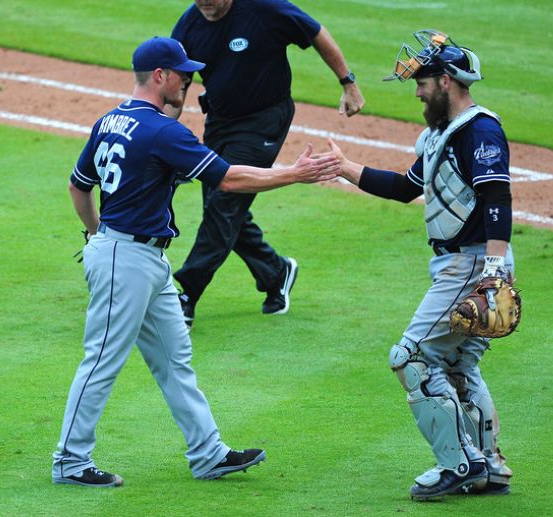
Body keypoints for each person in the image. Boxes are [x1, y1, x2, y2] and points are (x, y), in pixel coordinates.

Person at [52, 36, 338, 488]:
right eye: (183, 73)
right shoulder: (163, 131)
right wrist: (294, 174)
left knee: (175, 359)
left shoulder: (111, 121)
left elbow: (78, 186)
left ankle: (208, 454)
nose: (190, 79)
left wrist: (94, 234)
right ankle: (69, 461)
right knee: (102, 360)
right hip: (125, 260)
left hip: (140, 257)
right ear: (160, 76)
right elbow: (229, 179)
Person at [328, 30, 514, 500]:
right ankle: (488, 465)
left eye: (423, 83)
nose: (417, 92)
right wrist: (346, 168)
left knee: (410, 357)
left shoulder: (480, 130)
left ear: (447, 81)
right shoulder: (438, 136)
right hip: (462, 266)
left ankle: (459, 465)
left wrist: (493, 269)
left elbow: (497, 197)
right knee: (456, 366)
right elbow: (405, 187)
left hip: (472, 267)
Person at [170, 0, 365, 328]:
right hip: (219, 121)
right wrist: (163, 133)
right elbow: (179, 85)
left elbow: (316, 32)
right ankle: (277, 272)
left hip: (264, 120)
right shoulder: (189, 25)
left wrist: (348, 81)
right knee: (224, 210)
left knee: (224, 203)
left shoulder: (264, 8)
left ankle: (186, 294)